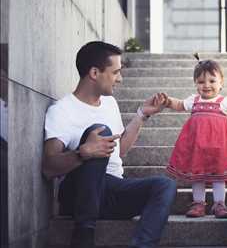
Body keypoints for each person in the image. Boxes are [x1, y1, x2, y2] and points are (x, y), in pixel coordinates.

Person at [42, 41, 177, 248]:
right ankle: (83, 236)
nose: (120, 79)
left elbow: (119, 150)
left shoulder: (109, 103)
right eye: (115, 72)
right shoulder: (61, 110)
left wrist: (141, 115)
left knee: (165, 185)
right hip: (79, 194)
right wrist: (82, 153)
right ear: (95, 73)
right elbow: (49, 167)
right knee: (100, 131)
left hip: (111, 190)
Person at [161, 54, 227, 219]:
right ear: (195, 83)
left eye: (212, 81)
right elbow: (179, 105)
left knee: (219, 176)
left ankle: (219, 204)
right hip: (196, 145)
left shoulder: (224, 101)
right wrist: (167, 101)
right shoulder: (193, 100)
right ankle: (198, 203)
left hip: (219, 146)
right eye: (201, 81)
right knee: (197, 175)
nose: (207, 85)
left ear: (221, 83)